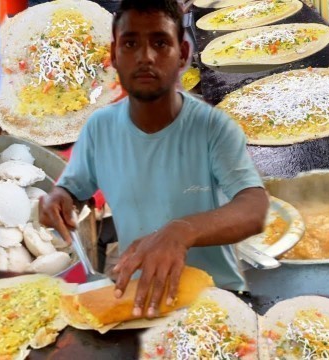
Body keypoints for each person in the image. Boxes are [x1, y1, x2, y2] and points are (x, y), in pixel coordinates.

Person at [39, 0, 268, 319]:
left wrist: (182, 231)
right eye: (131, 44)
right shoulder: (99, 128)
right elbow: (73, 191)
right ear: (115, 56)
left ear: (184, 55)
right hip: (140, 301)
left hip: (216, 302)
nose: (146, 57)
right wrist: (59, 198)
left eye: (160, 43)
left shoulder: (213, 127)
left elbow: (254, 208)